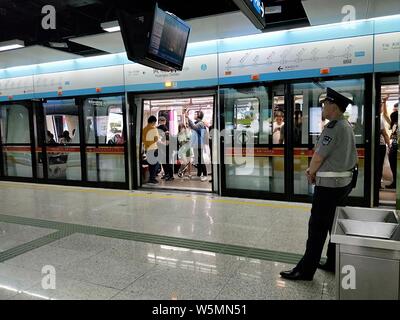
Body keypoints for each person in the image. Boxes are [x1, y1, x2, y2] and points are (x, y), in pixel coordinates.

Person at [280, 87, 357, 281]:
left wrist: (310, 171)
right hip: (344, 183)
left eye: (325, 104)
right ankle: (332, 262)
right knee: (334, 224)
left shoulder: (333, 127)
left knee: (317, 227)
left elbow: (319, 156)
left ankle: (305, 271)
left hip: (329, 186)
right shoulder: (346, 125)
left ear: (333, 106)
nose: (323, 107)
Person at [186, 110, 208, 181]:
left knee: (200, 159)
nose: (194, 115)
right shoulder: (197, 123)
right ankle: (199, 173)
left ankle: (205, 174)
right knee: (197, 159)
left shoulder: (200, 123)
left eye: (195, 114)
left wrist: (188, 118)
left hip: (199, 144)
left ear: (199, 115)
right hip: (196, 144)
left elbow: (193, 127)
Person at [377, 98, 391, 190]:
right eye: (381, 106)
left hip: (377, 146)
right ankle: (378, 183)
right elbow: (385, 134)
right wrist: (389, 145)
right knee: (379, 165)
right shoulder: (379, 119)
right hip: (380, 145)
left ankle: (376, 182)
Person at [142, 116, 160, 184]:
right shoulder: (154, 129)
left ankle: (151, 178)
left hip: (147, 149)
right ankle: (152, 178)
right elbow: (156, 139)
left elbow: (143, 140)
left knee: (151, 164)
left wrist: (147, 143)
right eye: (155, 122)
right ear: (153, 122)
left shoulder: (144, 129)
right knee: (156, 164)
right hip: (154, 148)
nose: (155, 124)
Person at [157, 116, 174, 181]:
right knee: (166, 162)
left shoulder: (161, 128)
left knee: (166, 162)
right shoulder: (164, 128)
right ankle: (168, 174)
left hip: (165, 148)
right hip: (165, 148)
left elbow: (167, 140)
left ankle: (169, 175)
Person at [388, 102, 399, 189]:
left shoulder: (396, 126)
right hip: (394, 146)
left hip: (395, 147)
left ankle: (395, 183)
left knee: (393, 166)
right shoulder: (395, 125)